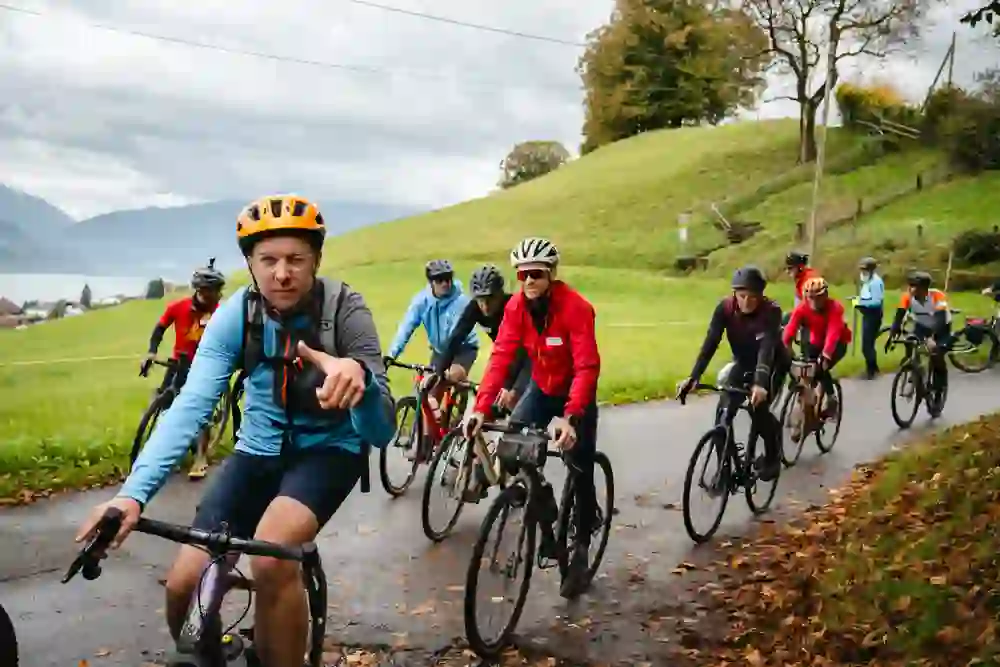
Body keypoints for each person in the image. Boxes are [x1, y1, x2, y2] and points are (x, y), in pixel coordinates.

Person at [75, 194, 396, 667]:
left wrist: (360, 385)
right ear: (250, 263)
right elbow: (191, 406)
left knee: (271, 557)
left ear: (316, 260)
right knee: (184, 585)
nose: (281, 273)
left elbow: (382, 431)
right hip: (257, 452)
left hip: (328, 453)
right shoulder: (237, 315)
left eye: (295, 259)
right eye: (268, 260)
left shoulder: (346, 309)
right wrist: (131, 496)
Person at [462, 237, 600, 600]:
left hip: (574, 393)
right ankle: (544, 505)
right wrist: (481, 409)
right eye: (522, 275)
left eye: (536, 274)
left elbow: (587, 366)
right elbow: (501, 357)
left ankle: (582, 545)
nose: (529, 281)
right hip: (540, 388)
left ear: (551, 274)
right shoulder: (515, 308)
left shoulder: (576, 308)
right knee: (511, 448)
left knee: (580, 466)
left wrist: (571, 417)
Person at [677, 266, 785, 483]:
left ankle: (773, 456)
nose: (746, 302)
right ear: (734, 293)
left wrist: (759, 384)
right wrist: (694, 377)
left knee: (758, 409)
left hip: (773, 363)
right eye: (742, 296)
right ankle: (724, 471)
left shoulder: (771, 311)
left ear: (761, 296)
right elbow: (710, 343)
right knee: (723, 415)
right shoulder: (725, 309)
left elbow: (766, 350)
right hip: (743, 362)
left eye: (752, 297)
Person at [433, 264, 531, 500]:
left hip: (527, 358)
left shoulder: (514, 307)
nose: (485, 306)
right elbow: (456, 337)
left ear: (499, 295)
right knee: (479, 412)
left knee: (513, 410)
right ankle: (479, 470)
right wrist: (439, 371)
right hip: (502, 357)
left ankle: (518, 469)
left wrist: (511, 388)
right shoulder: (475, 308)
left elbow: (525, 354)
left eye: (489, 299)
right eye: (480, 300)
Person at [141, 257, 226, 480]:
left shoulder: (221, 312)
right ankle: (160, 451)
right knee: (163, 402)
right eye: (211, 292)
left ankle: (200, 458)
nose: (215, 297)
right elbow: (159, 329)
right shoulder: (178, 308)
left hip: (207, 365)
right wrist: (151, 353)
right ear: (200, 290)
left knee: (202, 411)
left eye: (217, 292)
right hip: (180, 361)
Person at [386, 259, 479, 457]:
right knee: (427, 392)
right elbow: (406, 327)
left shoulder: (461, 302)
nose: (445, 283)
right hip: (439, 351)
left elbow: (456, 335)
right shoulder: (422, 301)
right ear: (431, 282)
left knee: (445, 379)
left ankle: (456, 416)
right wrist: (391, 355)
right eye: (440, 280)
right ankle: (427, 442)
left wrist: (442, 371)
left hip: (463, 349)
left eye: (448, 279)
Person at [782, 276, 852, 442]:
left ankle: (831, 399)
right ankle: (804, 411)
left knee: (821, 369)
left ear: (825, 295)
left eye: (818, 298)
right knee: (803, 369)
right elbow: (791, 328)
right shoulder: (802, 308)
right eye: (810, 298)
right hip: (816, 341)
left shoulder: (835, 308)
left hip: (837, 343)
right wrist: (786, 346)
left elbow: (833, 333)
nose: (814, 302)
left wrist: (826, 355)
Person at [886, 270, 951, 398]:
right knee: (910, 341)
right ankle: (914, 368)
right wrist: (892, 334)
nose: (911, 289)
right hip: (921, 326)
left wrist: (932, 338)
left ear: (924, 288)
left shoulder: (937, 296)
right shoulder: (907, 297)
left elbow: (941, 319)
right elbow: (899, 317)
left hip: (941, 326)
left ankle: (940, 384)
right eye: (910, 285)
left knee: (936, 353)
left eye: (915, 286)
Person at [855, 256, 885, 379]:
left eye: (865, 270)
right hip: (867, 314)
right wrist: (858, 300)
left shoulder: (875, 283)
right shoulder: (867, 281)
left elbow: (876, 301)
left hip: (873, 314)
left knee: (867, 346)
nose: (863, 273)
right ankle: (874, 368)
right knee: (868, 344)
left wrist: (860, 303)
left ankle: (871, 371)